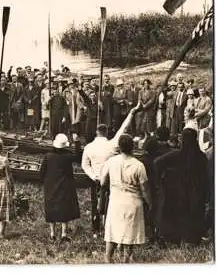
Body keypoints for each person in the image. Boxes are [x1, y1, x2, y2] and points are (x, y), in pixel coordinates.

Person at [81, 103, 140, 237]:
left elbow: (85, 165)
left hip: (96, 179)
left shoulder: (89, 147)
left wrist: (93, 176)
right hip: (111, 179)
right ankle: (110, 228)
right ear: (106, 133)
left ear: (96, 133)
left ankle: (96, 230)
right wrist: (132, 113)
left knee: (95, 204)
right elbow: (123, 128)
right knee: (111, 203)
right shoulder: (112, 145)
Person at [100, 134, 152, 263]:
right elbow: (145, 189)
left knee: (112, 231)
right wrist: (150, 203)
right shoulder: (138, 165)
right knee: (130, 233)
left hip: (116, 199)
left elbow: (102, 182)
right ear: (132, 147)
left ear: (119, 147)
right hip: (133, 201)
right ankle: (125, 262)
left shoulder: (111, 161)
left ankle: (108, 258)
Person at [154, 128, 208, 245]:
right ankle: (192, 239)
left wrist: (161, 179)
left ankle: (176, 238)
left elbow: (157, 163)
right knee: (193, 215)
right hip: (196, 192)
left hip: (178, 191)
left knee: (178, 216)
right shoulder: (202, 157)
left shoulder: (176, 154)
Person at [39, 133, 81, 242]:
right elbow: (78, 156)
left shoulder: (48, 156)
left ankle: (52, 233)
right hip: (65, 185)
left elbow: (41, 172)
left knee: (51, 207)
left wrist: (44, 182)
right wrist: (77, 142)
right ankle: (63, 234)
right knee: (64, 208)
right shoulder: (67, 156)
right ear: (65, 145)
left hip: (50, 185)